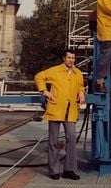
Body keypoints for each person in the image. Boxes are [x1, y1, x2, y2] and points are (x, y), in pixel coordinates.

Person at [34, 49, 85, 180]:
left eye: (73, 58)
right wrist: (44, 91)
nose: (71, 60)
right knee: (53, 141)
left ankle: (69, 170)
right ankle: (54, 170)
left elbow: (80, 85)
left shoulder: (77, 73)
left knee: (72, 138)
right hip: (56, 109)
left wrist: (81, 93)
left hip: (71, 110)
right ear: (64, 58)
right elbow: (39, 76)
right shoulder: (55, 71)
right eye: (69, 58)